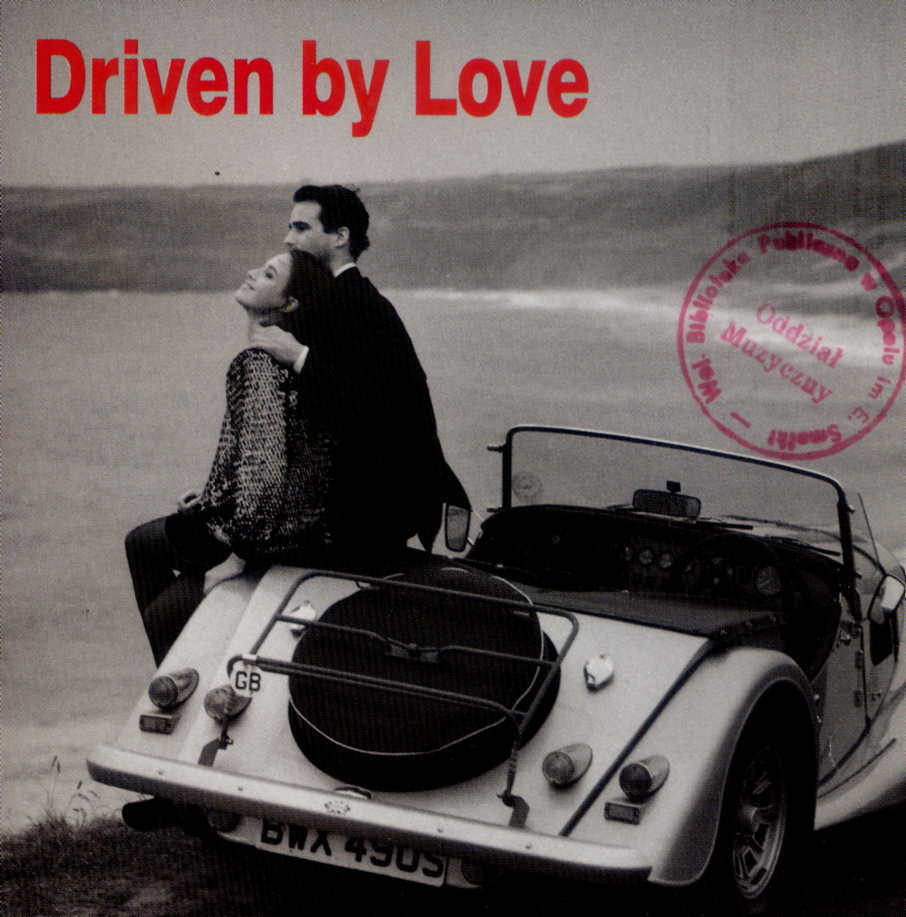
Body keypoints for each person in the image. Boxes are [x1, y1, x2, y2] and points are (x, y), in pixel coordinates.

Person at [126, 250, 337, 665]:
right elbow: (290, 457)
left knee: (159, 602)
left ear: (288, 303)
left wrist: (236, 560)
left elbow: (266, 475)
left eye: (268, 274)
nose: (252, 273)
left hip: (267, 539)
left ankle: (178, 667)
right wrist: (212, 494)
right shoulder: (302, 360)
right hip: (300, 529)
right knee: (143, 543)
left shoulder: (256, 364)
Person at [249, 184, 469, 557]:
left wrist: (298, 355)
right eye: (290, 227)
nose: (288, 239)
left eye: (301, 228)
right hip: (365, 497)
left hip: (374, 506)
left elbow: (373, 407)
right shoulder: (338, 299)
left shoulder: (357, 304)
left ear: (340, 237)